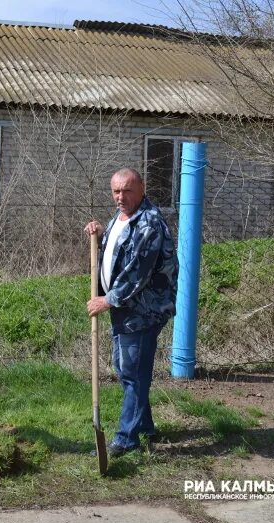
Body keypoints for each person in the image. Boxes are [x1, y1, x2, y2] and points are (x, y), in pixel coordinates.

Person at [84, 167, 178, 457]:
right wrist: (100, 234)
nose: (120, 196)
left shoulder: (148, 223)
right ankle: (145, 427)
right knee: (130, 369)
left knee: (133, 373)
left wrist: (107, 300)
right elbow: (118, 251)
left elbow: (136, 272)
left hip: (144, 309)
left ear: (141, 189)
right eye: (116, 191)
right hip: (125, 306)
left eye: (127, 190)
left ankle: (126, 439)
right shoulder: (123, 217)